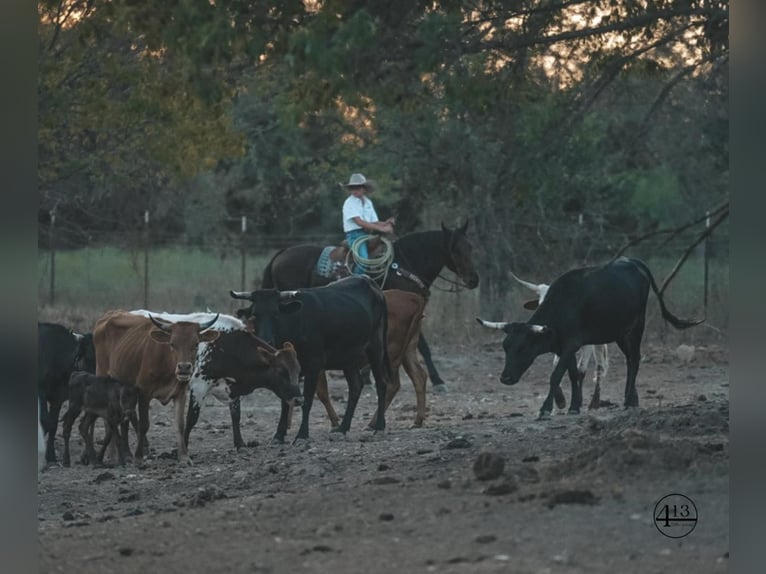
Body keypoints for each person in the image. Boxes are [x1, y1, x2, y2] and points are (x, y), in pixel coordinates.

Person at [341, 173, 395, 274]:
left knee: (385, 251)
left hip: (367, 234)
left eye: (358, 187)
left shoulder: (368, 202)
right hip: (354, 235)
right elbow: (360, 222)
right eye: (352, 188)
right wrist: (382, 229)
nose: (355, 190)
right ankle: (355, 282)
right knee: (363, 262)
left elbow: (373, 222)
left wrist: (384, 223)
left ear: (364, 189)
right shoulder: (349, 202)